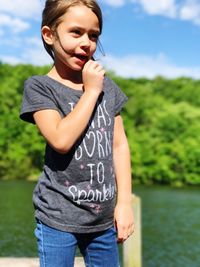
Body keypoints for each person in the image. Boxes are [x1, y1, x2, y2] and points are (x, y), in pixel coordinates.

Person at [20, 0, 134, 266]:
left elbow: (119, 146)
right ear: (49, 35)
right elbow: (60, 140)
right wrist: (91, 91)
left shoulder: (109, 87)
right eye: (76, 32)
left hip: (103, 222)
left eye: (93, 35)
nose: (87, 43)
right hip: (58, 219)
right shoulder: (40, 87)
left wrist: (124, 203)